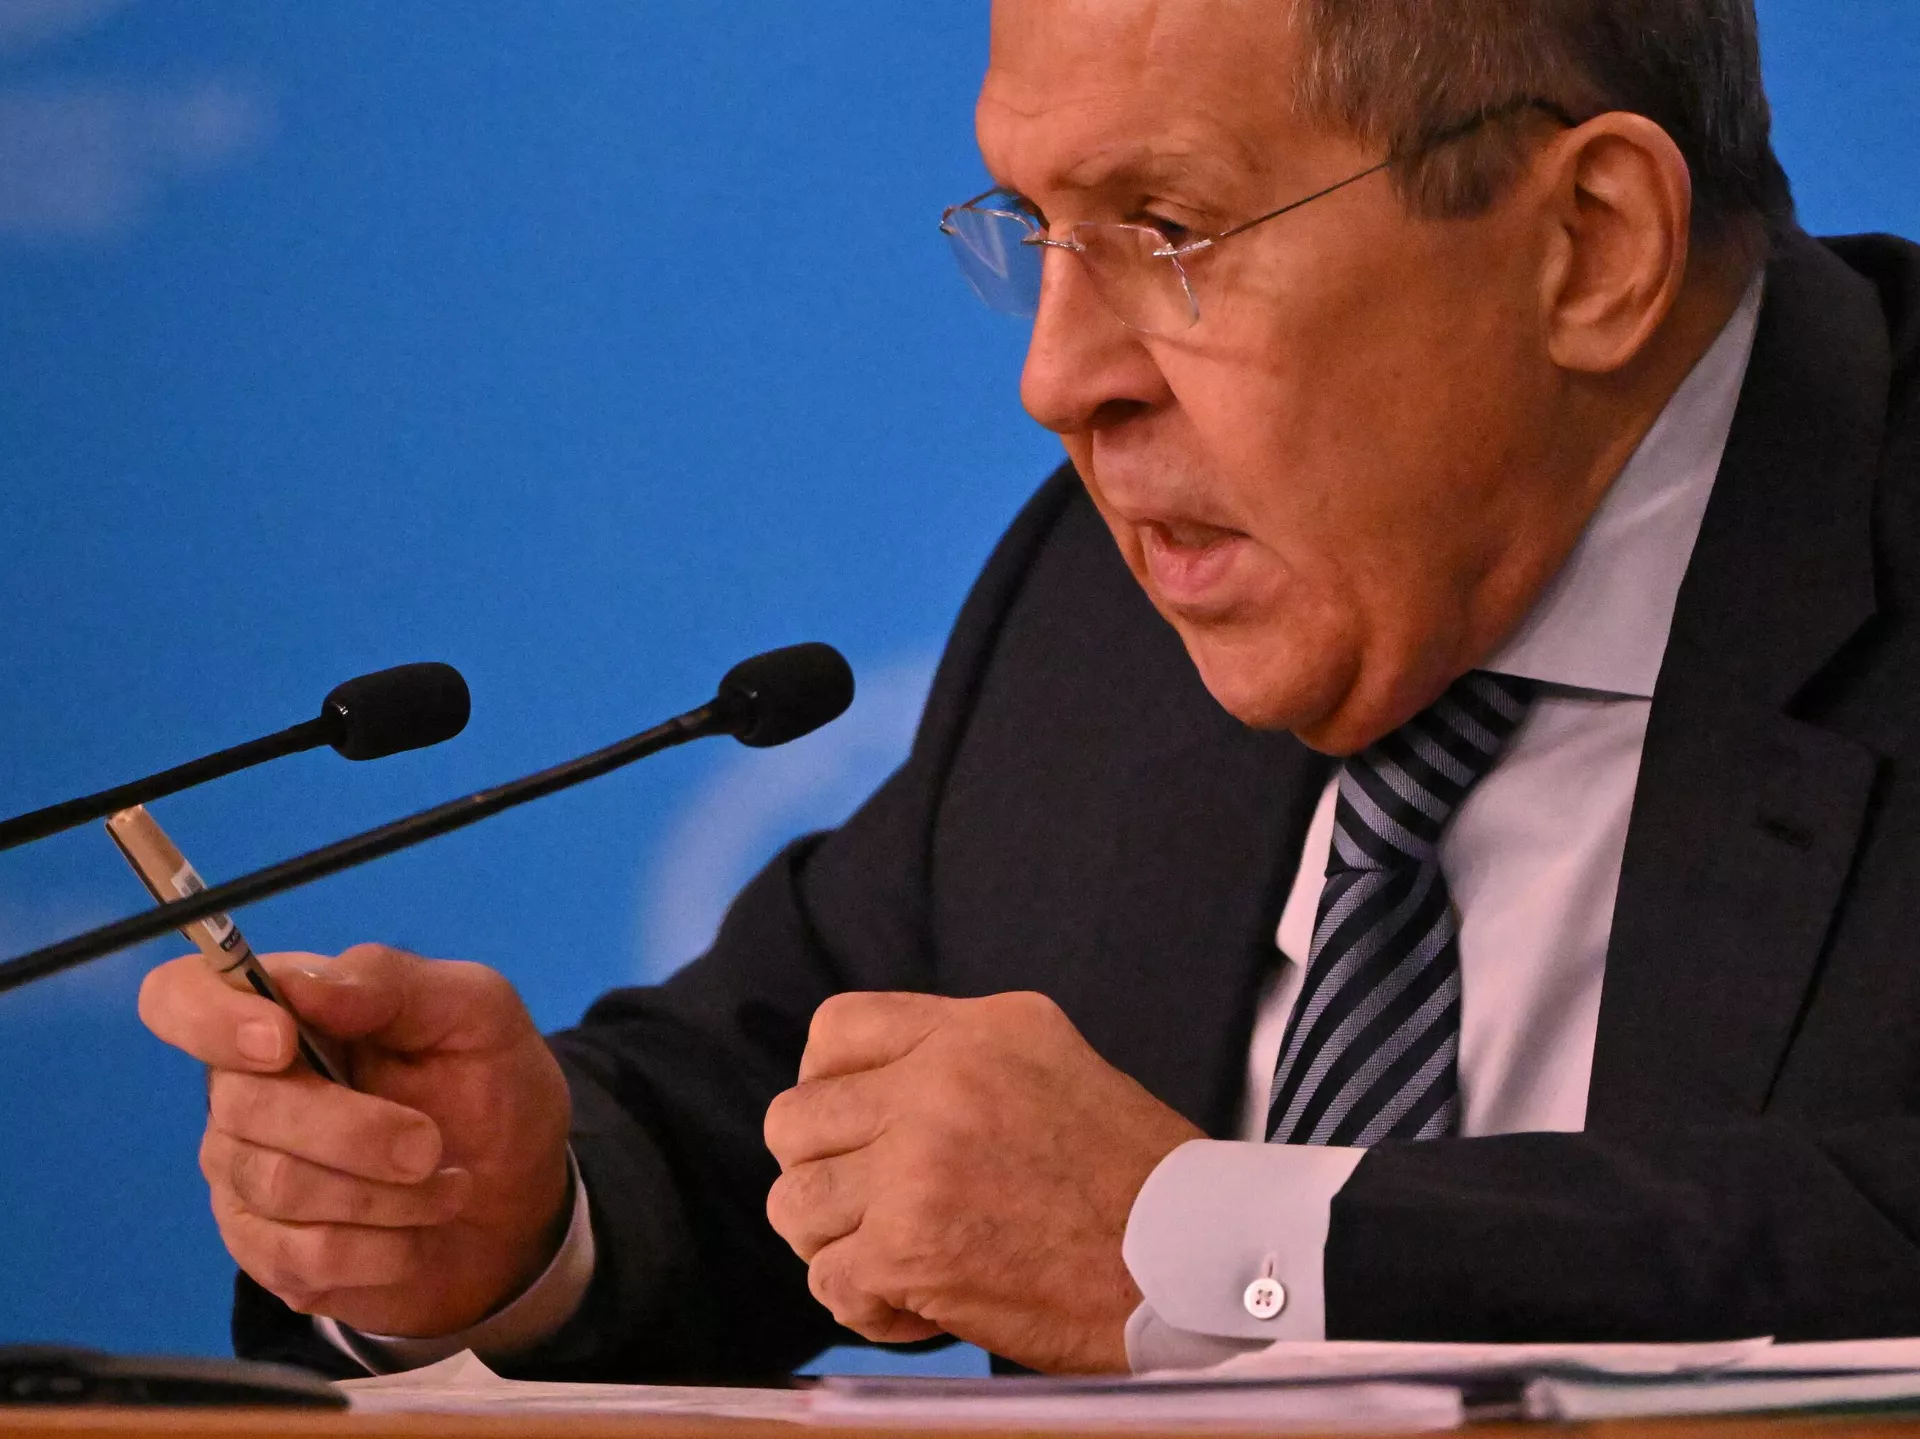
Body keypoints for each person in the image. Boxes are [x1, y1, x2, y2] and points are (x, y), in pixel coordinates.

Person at [140, 0, 1920, 1382]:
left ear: (1588, 243)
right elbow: (777, 1093)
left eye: (1170, 226)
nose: (1058, 382)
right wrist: (507, 1212)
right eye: (1038, 229)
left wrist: (1202, 1239)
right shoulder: (1116, 604)